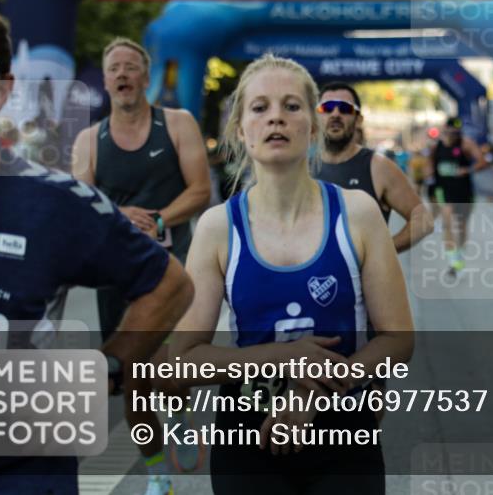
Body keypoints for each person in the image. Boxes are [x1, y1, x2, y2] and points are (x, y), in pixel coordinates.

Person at [0, 0, 194, 495]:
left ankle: (163, 457)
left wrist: (112, 364)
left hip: (22, 480)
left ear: (3, 89)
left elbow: (171, 285)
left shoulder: (53, 202)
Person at [168, 54, 414, 494]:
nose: (276, 117)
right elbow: (183, 361)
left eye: (292, 106)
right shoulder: (218, 227)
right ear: (240, 129)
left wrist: (312, 391)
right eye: (260, 107)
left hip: (343, 428)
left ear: (313, 128)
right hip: (247, 432)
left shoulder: (357, 213)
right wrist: (283, 357)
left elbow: (398, 340)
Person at [72, 37, 210, 486]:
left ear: (146, 77)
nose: (122, 74)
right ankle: (158, 475)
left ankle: (179, 413)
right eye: (114, 68)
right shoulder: (89, 140)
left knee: (167, 371)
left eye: (131, 67)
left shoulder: (177, 124)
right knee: (134, 384)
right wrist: (117, 217)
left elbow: (200, 190)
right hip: (117, 276)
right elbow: (80, 206)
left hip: (172, 271)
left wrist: (159, 220)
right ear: (106, 80)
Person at [315, 81, 433, 253]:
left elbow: (423, 220)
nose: (335, 114)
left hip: (365, 272)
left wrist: (381, 253)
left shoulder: (379, 167)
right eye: (327, 108)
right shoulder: (299, 167)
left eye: (345, 108)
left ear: (359, 120)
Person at [428, 116, 489, 275]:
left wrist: (468, 170)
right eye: (451, 132)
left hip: (464, 191)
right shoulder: (436, 147)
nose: (454, 135)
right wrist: (430, 181)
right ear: (445, 129)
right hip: (444, 190)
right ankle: (453, 260)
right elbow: (430, 165)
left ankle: (460, 253)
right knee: (447, 223)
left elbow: (483, 162)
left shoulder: (466, 144)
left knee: (461, 225)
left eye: (457, 132)